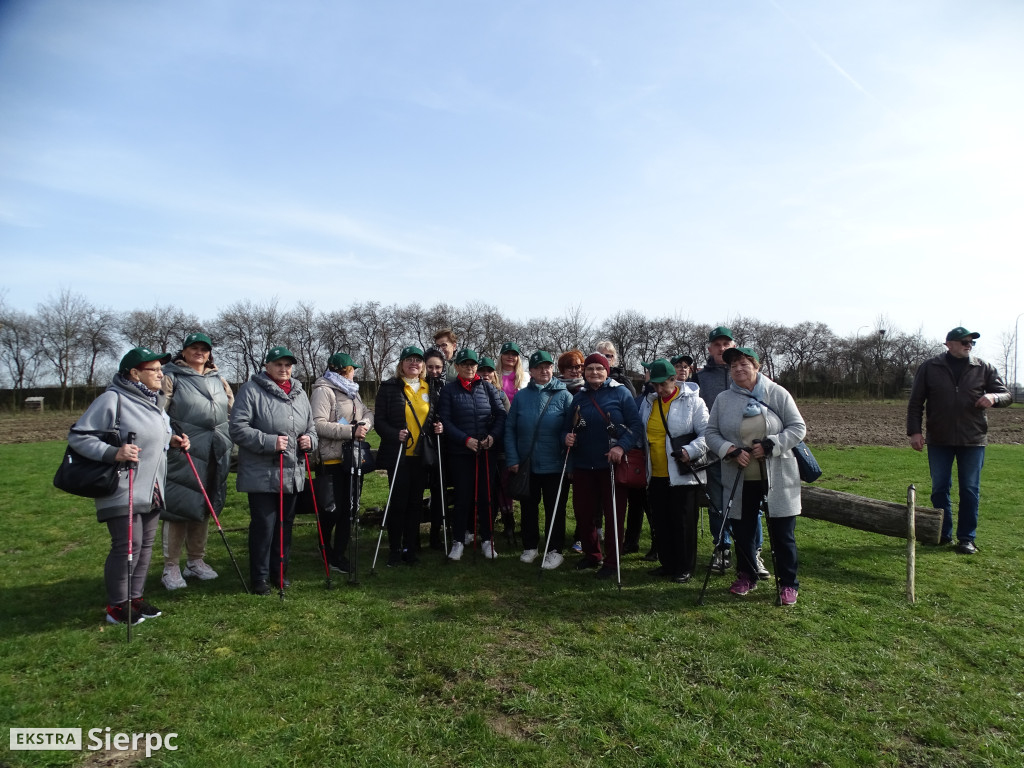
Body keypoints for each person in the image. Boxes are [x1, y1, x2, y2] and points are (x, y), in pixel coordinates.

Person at [69, 347, 189, 624]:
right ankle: (116, 606)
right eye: (154, 370)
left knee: (145, 545)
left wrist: (173, 440)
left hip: (152, 487)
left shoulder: (154, 402)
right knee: (128, 544)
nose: (161, 374)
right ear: (135, 373)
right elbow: (79, 436)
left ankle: (135, 599)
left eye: (161, 369)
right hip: (123, 486)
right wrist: (114, 453)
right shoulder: (113, 400)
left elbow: (163, 432)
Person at [705, 347, 806, 606]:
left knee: (783, 533)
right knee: (743, 531)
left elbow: (798, 428)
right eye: (733, 366)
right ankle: (746, 576)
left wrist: (772, 444)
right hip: (739, 476)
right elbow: (711, 433)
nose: (738, 369)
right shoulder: (723, 399)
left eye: (743, 363)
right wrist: (730, 450)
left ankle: (788, 584)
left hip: (777, 476)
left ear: (756, 366)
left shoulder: (777, 393)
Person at [906, 326, 1011, 554]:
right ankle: (942, 534)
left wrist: (994, 396)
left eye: (971, 342)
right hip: (939, 439)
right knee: (940, 488)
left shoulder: (983, 368)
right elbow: (916, 403)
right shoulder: (930, 367)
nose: (968, 345)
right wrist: (915, 432)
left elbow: (1007, 395)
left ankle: (966, 539)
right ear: (949, 344)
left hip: (973, 439)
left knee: (970, 490)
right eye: (964, 341)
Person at [229, 345, 317, 595]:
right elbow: (237, 428)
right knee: (264, 526)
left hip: (292, 472)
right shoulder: (250, 391)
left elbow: (310, 427)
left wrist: (310, 441)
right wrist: (269, 442)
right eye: (278, 364)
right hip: (263, 474)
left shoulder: (300, 393)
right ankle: (260, 577)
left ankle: (280, 572)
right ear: (267, 366)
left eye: (288, 365)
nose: (284, 369)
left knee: (285, 525)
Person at [159, 332, 234, 591]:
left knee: (204, 505)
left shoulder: (219, 379)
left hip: (214, 452)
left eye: (204, 348)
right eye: (194, 348)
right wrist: (170, 439)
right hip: (183, 453)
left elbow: (229, 411)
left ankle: (196, 561)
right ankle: (170, 566)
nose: (199, 352)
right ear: (184, 351)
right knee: (179, 508)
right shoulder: (171, 377)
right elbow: (158, 414)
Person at [563, 352, 643, 579]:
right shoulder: (579, 397)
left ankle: (611, 561)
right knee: (584, 513)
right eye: (590, 369)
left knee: (613, 515)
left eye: (599, 368)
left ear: (607, 371)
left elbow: (635, 426)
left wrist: (621, 447)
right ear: (584, 373)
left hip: (611, 464)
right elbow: (567, 426)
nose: (594, 373)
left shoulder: (621, 393)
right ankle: (592, 554)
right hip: (583, 464)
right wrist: (567, 437)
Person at [694, 326, 766, 578]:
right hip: (717, 453)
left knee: (753, 506)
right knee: (718, 504)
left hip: (752, 456)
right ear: (710, 348)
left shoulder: (757, 381)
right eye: (717, 344)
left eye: (727, 343)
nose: (722, 348)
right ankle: (722, 547)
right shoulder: (700, 378)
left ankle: (753, 552)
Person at [637, 359, 708, 583]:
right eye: (654, 385)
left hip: (683, 474)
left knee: (683, 523)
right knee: (661, 521)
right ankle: (667, 564)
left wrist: (690, 450)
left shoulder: (693, 402)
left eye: (662, 384)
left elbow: (708, 434)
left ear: (673, 379)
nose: (658, 389)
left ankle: (685, 567)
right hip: (656, 473)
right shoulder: (648, 403)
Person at [373, 346, 443, 566]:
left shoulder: (428, 387)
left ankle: (410, 549)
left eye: (418, 360)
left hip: (421, 455)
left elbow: (433, 417)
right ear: (401, 364)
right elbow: (379, 421)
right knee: (399, 503)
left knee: (415, 503)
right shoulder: (389, 387)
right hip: (399, 454)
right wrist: (395, 434)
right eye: (409, 359)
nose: (415, 363)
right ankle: (394, 549)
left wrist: (438, 426)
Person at [505, 350, 574, 569]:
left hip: (555, 464)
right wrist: (513, 458)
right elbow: (510, 429)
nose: (544, 371)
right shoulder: (522, 396)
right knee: (528, 507)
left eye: (548, 366)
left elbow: (571, 429)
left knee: (556, 508)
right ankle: (530, 546)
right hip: (528, 464)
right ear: (531, 371)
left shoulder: (565, 396)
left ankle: (554, 550)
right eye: (539, 367)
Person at [437, 348, 507, 560]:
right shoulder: (449, 391)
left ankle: (487, 539)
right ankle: (458, 540)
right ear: (457, 366)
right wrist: (465, 440)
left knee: (487, 497)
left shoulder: (487, 388)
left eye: (473, 364)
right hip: (461, 452)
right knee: (462, 497)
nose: (469, 367)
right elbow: (446, 421)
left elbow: (501, 415)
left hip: (486, 450)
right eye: (465, 364)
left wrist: (492, 437)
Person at [310, 352, 374, 573]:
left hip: (352, 459)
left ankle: (339, 554)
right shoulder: (323, 391)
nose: (355, 373)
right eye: (352, 369)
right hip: (331, 459)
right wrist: (350, 431)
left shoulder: (352, 391)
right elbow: (317, 424)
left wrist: (365, 424)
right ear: (344, 370)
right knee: (332, 510)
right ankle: (324, 546)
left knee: (350, 509)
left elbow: (367, 412)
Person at [556, 350, 586, 554]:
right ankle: (556, 535)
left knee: (585, 499)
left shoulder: (589, 388)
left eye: (578, 367)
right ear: (562, 370)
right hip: (562, 451)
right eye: (570, 367)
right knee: (560, 498)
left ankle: (582, 537)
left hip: (585, 450)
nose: (575, 371)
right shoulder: (556, 390)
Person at [424, 347, 450, 549]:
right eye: (430, 367)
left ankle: (436, 533)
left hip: (442, 443)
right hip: (423, 444)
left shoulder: (446, 386)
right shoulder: (419, 386)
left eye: (438, 367)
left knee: (439, 491)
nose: (434, 371)